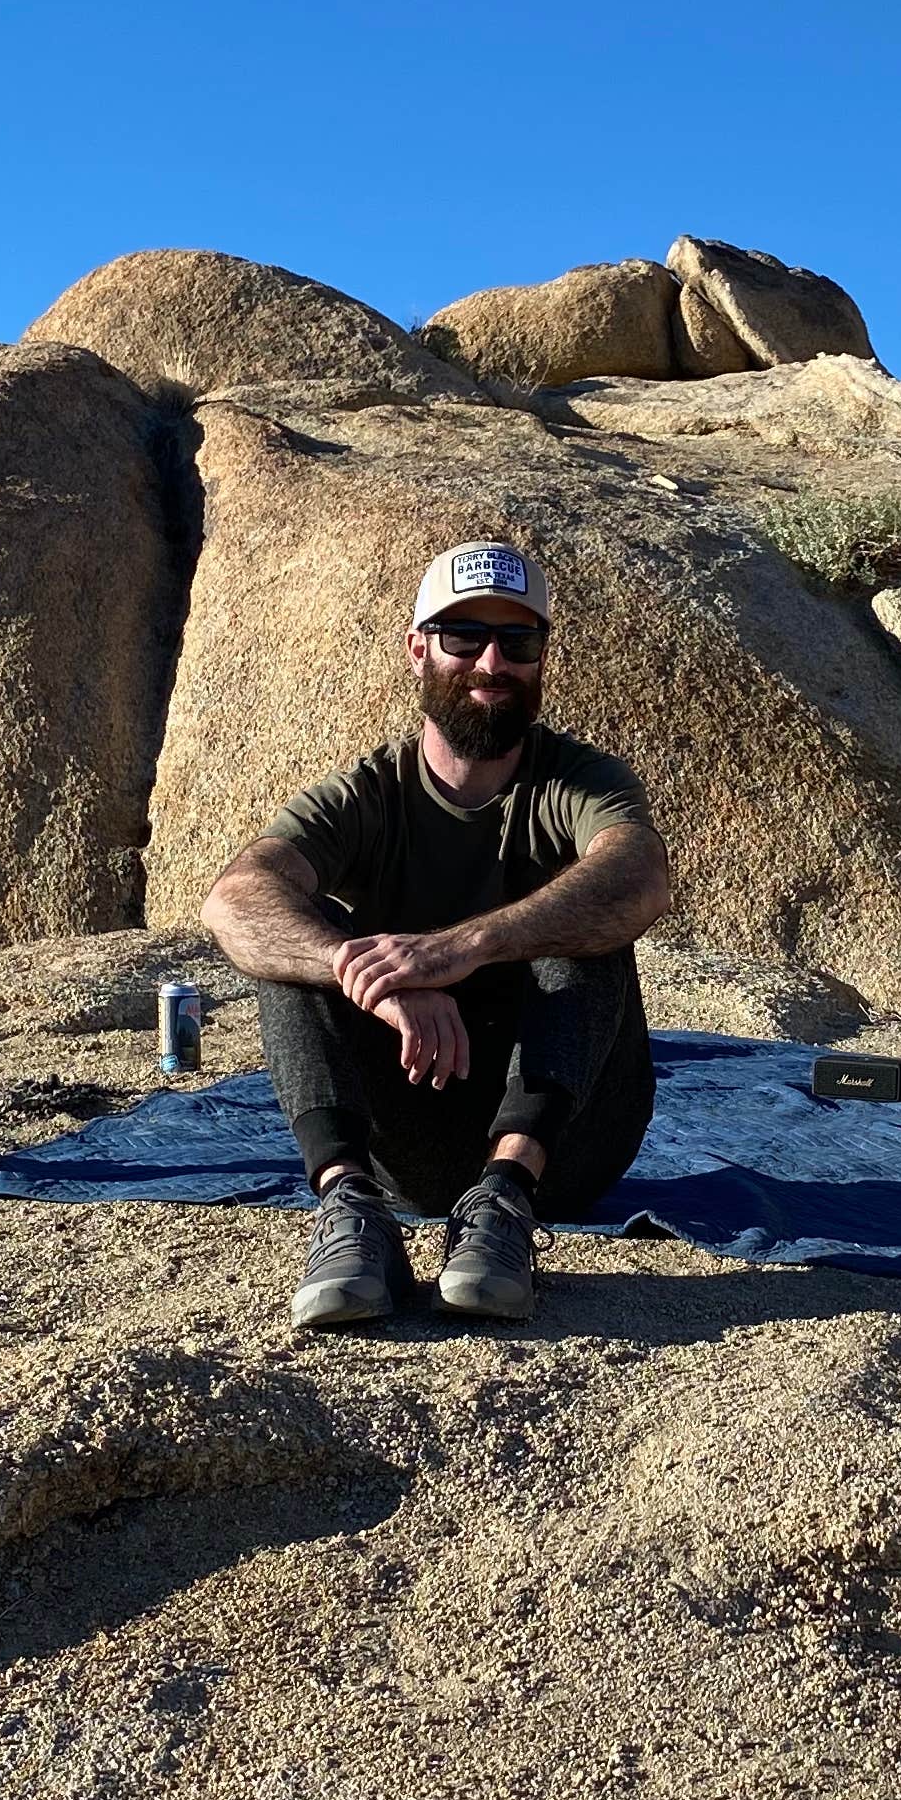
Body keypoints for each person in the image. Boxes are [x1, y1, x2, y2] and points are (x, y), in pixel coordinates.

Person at [201, 541, 675, 1331]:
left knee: (583, 921)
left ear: (542, 657)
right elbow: (235, 901)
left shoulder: (580, 781)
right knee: (302, 942)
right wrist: (370, 978)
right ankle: (349, 1209)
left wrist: (461, 948)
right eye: (464, 636)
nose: (492, 662)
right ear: (418, 648)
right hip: (403, 1142)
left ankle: (503, 1204)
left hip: (565, 1145)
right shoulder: (368, 794)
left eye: (517, 641)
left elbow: (639, 878)